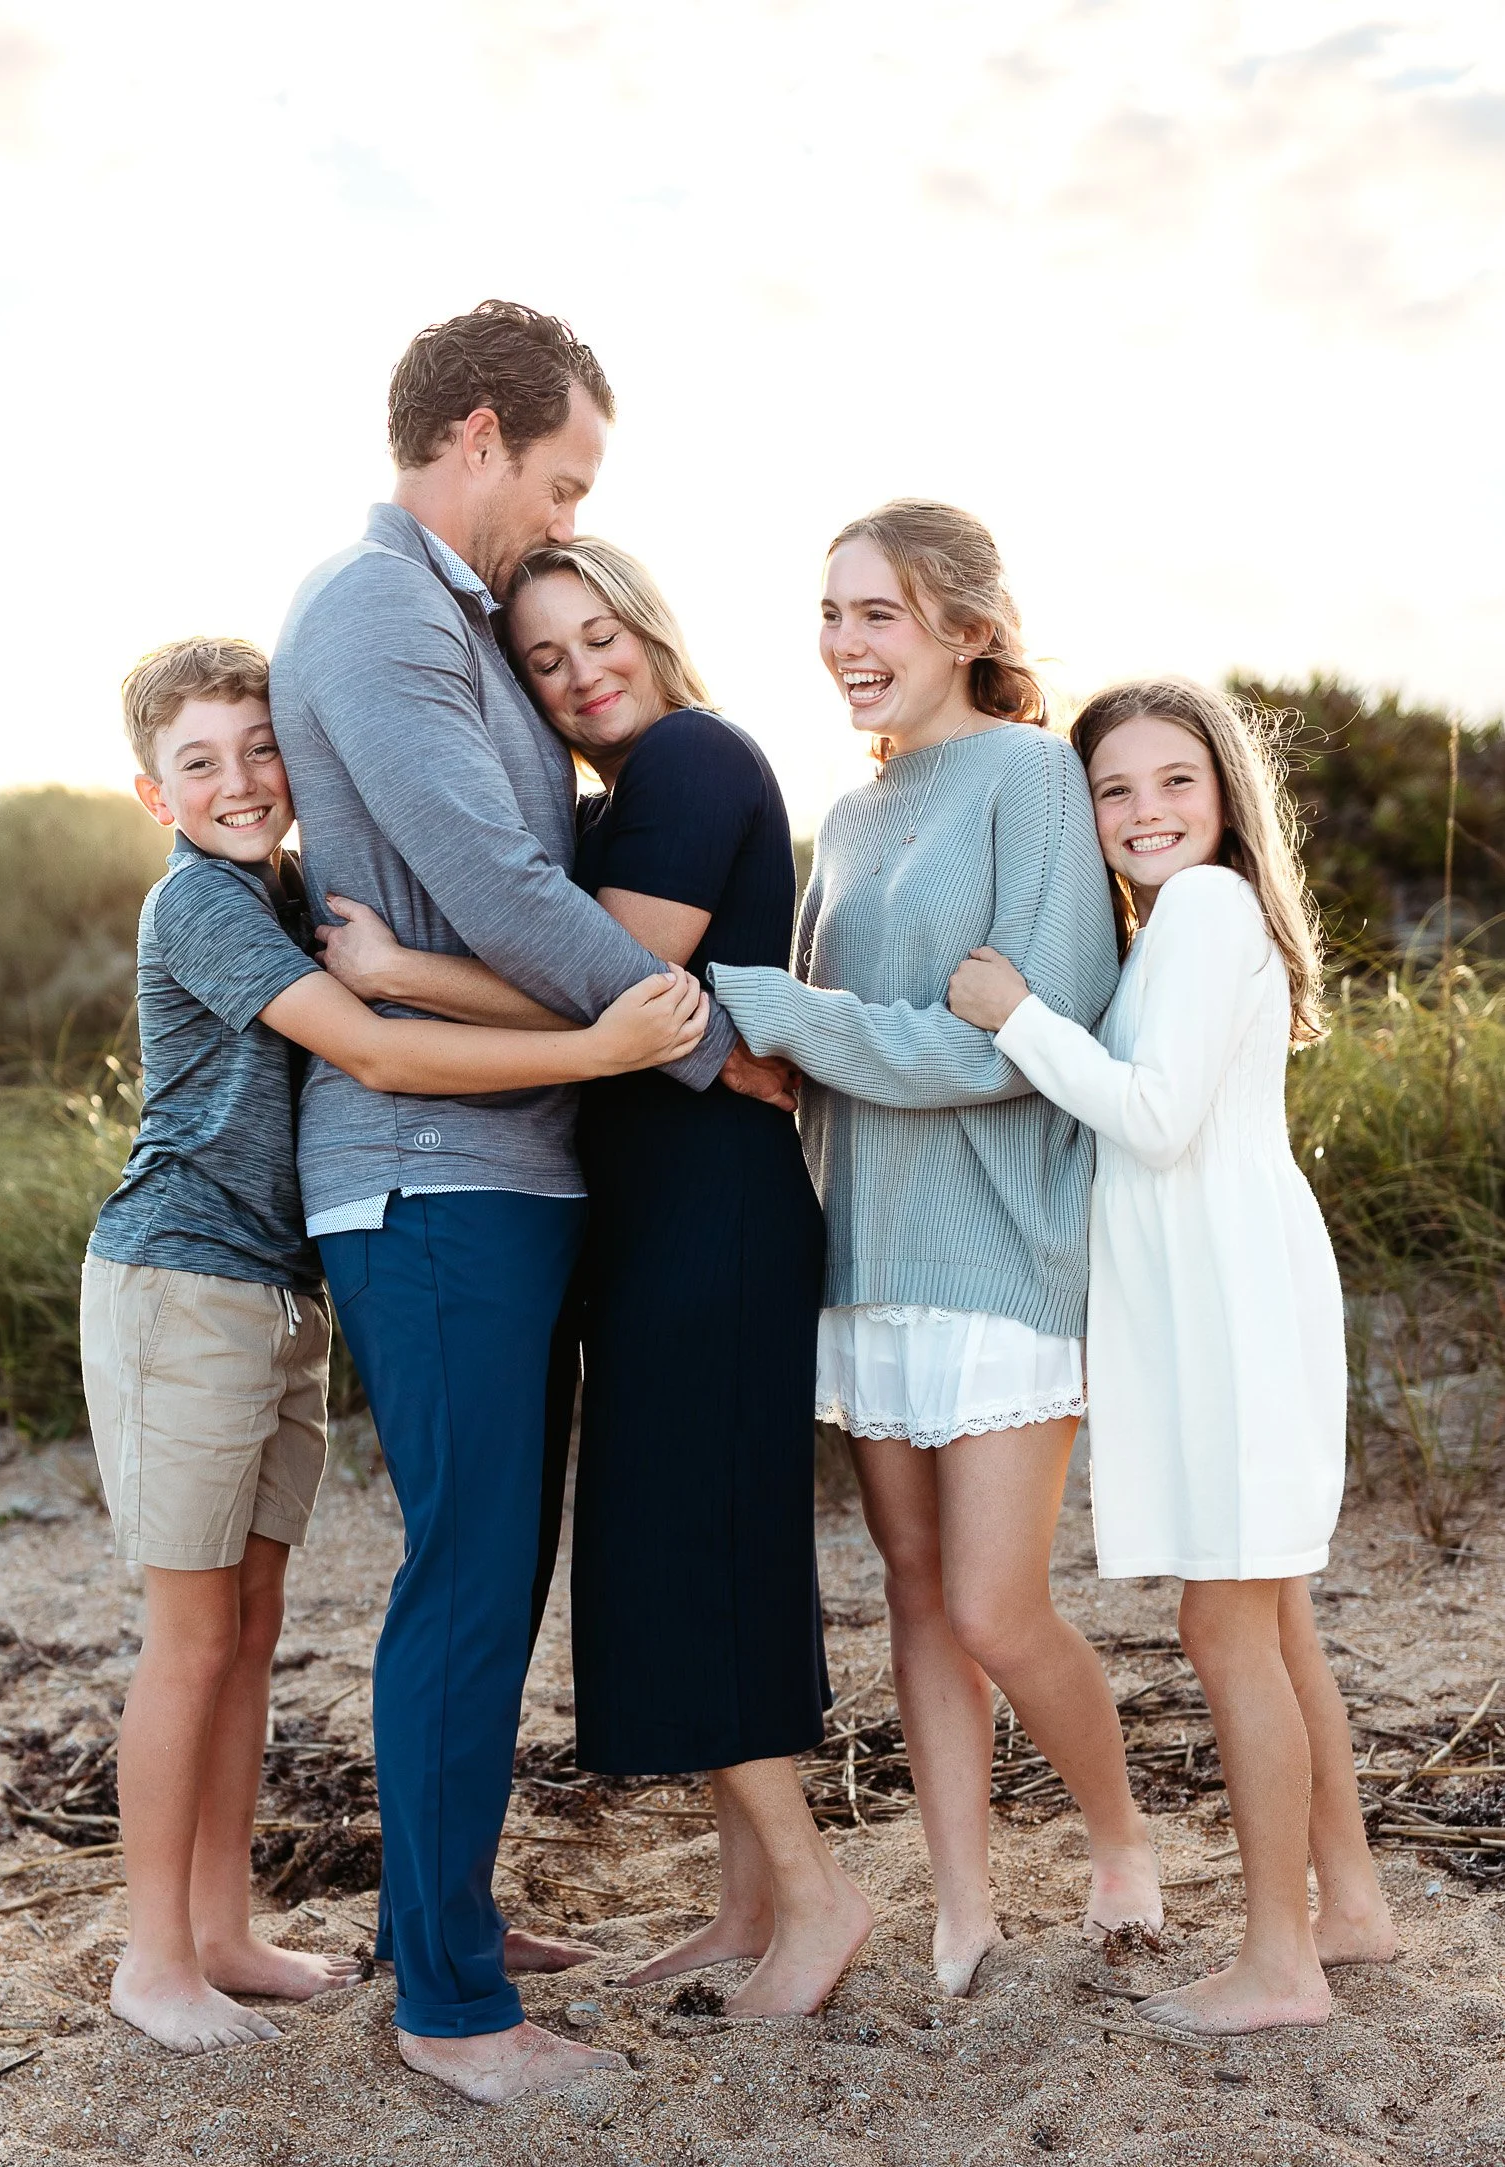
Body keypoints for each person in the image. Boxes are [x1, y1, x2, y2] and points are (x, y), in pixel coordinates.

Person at [268, 304, 789, 2105]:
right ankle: (452, 2012)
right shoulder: (374, 610)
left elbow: (516, 870)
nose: (562, 511)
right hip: (426, 1183)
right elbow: (495, 879)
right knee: (469, 1582)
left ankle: (449, 1924)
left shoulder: (457, 621)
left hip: (513, 1165)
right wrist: (697, 1044)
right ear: (479, 436)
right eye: (561, 475)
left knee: (492, 1575)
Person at [83, 636, 709, 2057]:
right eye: (200, 762)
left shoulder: (287, 889)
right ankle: (151, 1956)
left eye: (258, 749)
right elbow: (371, 1050)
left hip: (271, 1295)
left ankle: (227, 1929)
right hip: (180, 1283)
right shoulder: (200, 905)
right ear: (148, 791)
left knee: (247, 1629)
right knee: (190, 1637)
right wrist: (596, 1049)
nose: (240, 781)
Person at [320, 541, 871, 2017]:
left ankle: (816, 1901)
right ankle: (746, 1909)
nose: (581, 671)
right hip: (661, 1209)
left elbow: (617, 992)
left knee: (685, 1546)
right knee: (712, 1544)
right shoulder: (616, 802)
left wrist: (402, 972)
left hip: (709, 1212)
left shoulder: (690, 758)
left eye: (599, 633)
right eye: (544, 660)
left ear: (651, 626)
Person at [709, 501, 1163, 1999]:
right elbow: (856, 1049)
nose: (843, 646)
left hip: (1001, 1250)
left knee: (992, 1606)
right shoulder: (846, 817)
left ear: (966, 630)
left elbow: (1013, 1046)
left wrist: (774, 1010)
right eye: (830, 614)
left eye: (876, 615)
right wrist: (791, 1040)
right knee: (912, 1597)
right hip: (865, 1259)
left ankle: (1115, 1837)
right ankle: (961, 1905)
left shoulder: (1030, 780)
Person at [949, 679, 1399, 2034]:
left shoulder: (1203, 909)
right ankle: (1352, 1905)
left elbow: (1147, 1122)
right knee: (1272, 1620)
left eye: (1174, 783)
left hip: (1230, 1306)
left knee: (1225, 1626)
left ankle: (1278, 1963)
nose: (1145, 812)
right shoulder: (1177, 930)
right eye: (1114, 790)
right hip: (1224, 1294)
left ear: (1224, 797)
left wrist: (1011, 1014)